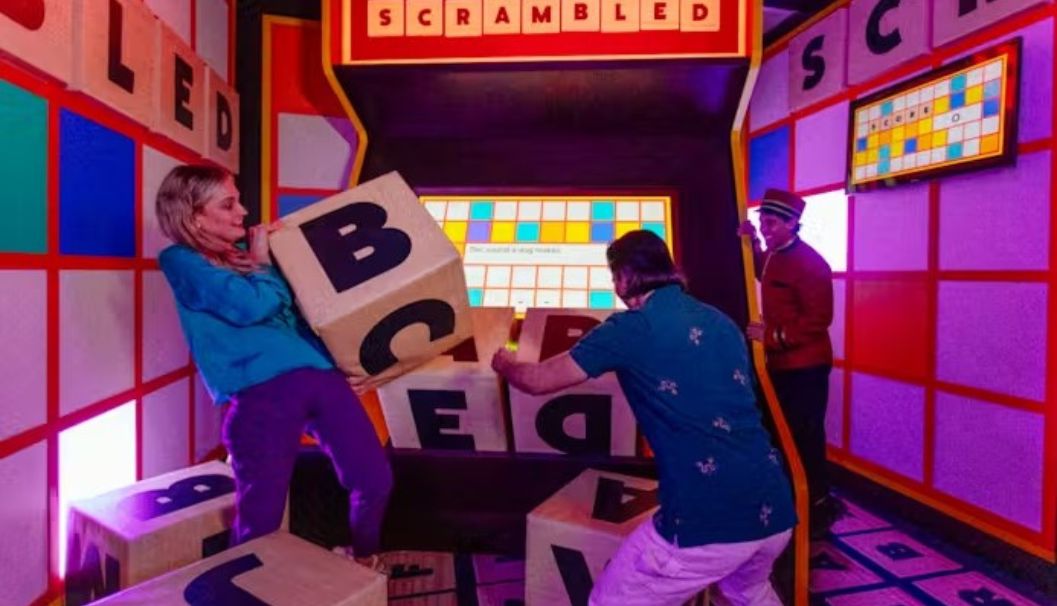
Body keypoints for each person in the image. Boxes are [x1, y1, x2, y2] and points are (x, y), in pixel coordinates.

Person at [491, 230, 795, 606]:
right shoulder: (722, 322)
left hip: (708, 519)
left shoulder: (629, 328)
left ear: (625, 278)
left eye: (614, 276)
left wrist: (505, 362)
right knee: (747, 590)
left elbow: (538, 381)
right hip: (775, 508)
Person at [155, 164, 392, 562]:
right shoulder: (179, 260)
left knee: (375, 479)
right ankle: (241, 585)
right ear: (194, 217)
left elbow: (301, 320)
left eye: (238, 202)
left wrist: (342, 366)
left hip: (321, 379)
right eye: (228, 204)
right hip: (261, 395)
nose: (243, 212)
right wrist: (265, 263)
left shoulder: (245, 258)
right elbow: (250, 306)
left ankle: (366, 559)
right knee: (260, 519)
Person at [737, 188, 838, 536]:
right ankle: (789, 503)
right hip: (779, 366)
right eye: (763, 221)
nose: (766, 228)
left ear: (793, 223)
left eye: (772, 223)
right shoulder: (775, 255)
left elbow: (818, 321)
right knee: (780, 435)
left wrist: (771, 336)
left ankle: (818, 508)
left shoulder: (812, 264)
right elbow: (763, 271)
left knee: (805, 436)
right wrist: (751, 242)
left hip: (806, 367)